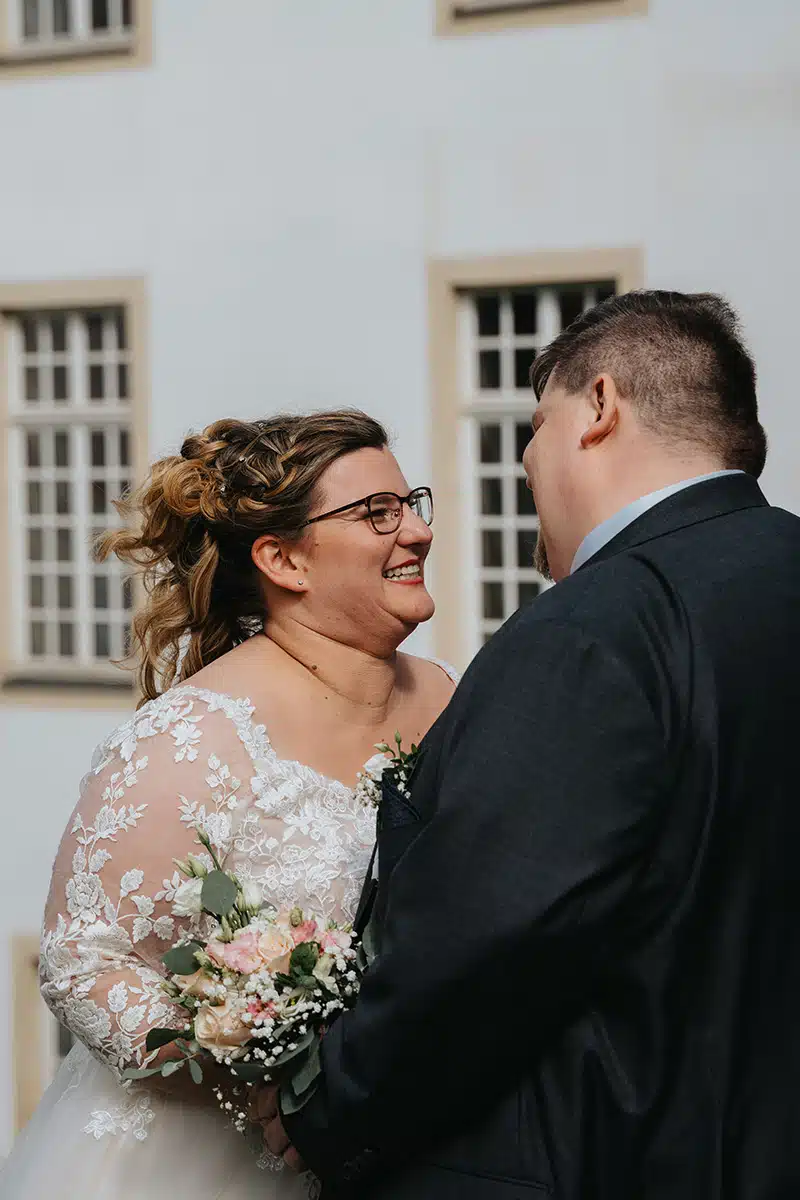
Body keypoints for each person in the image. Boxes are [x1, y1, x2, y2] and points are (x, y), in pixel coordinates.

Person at [263, 292, 800, 1198]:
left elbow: (485, 938)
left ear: (599, 408)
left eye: (534, 426)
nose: (524, 462)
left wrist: (330, 1113)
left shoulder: (595, 629)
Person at [0, 410, 457, 1200]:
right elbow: (82, 963)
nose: (414, 531)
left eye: (411, 503)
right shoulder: (191, 735)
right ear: (284, 559)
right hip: (211, 1163)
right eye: (377, 512)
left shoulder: (451, 695)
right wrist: (259, 1069)